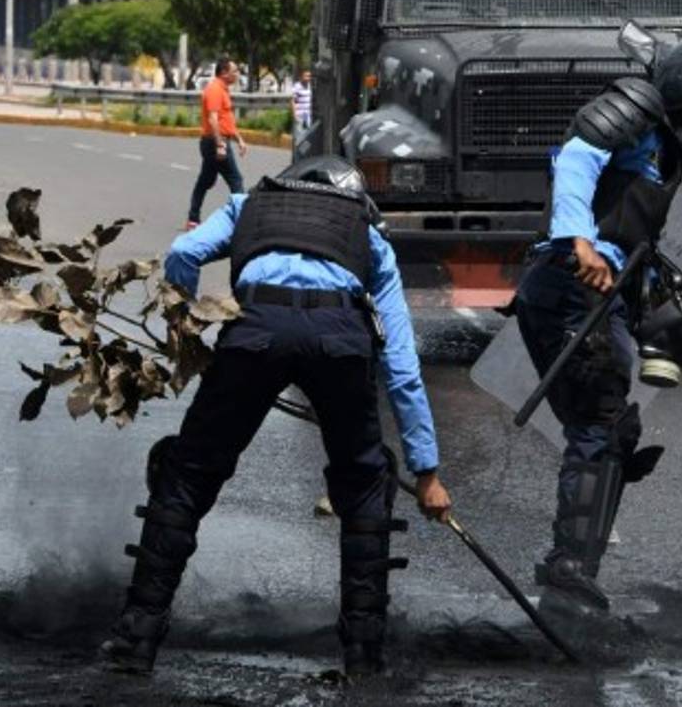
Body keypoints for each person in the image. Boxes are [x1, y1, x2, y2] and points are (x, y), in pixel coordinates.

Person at [101, 156, 452, 676]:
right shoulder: (369, 236)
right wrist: (426, 473)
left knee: (188, 474)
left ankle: (137, 640)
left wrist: (184, 334)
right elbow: (401, 366)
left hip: (254, 331)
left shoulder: (248, 205)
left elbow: (184, 251)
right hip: (339, 341)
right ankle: (363, 658)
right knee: (363, 484)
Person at [515, 34, 682, 613]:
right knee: (600, 427)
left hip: (596, 291)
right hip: (570, 281)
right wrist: (576, 237)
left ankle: (576, 565)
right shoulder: (633, 103)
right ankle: (568, 569)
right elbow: (578, 157)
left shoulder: (664, 142)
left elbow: (638, 229)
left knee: (606, 430)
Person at [186, 56, 248, 230]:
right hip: (214, 141)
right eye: (234, 71)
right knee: (235, 179)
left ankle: (193, 218)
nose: (237, 74)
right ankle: (241, 219)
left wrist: (239, 140)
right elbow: (213, 120)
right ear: (224, 72)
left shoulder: (223, 90)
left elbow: (225, 120)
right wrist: (220, 145)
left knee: (205, 181)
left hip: (215, 140)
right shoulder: (214, 90)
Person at [291, 68, 312, 135]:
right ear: (301, 77)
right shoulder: (297, 86)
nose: (308, 78)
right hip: (300, 114)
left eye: (309, 76)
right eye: (306, 76)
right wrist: (295, 114)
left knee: (309, 134)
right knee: (300, 134)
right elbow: (293, 101)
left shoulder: (310, 86)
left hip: (308, 114)